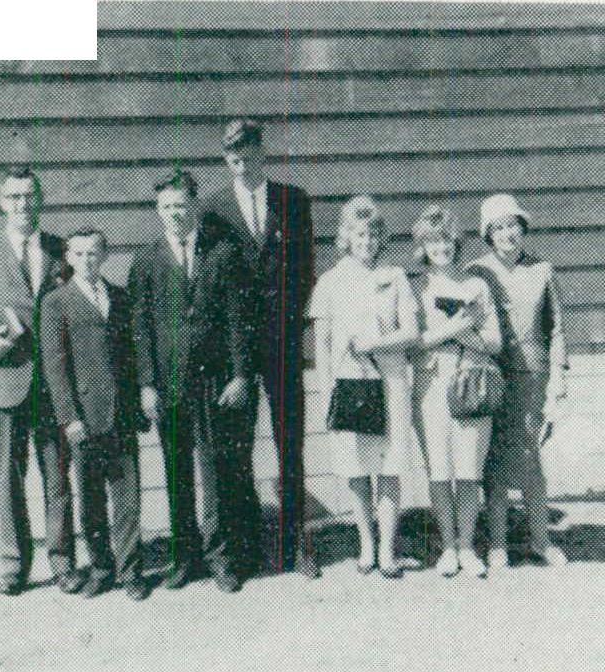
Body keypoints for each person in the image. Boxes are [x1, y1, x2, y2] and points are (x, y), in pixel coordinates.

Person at [0, 166, 80, 596]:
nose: (23, 205)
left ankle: (63, 561)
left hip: (53, 386)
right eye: (14, 197)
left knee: (57, 476)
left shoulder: (61, 251)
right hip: (2, 381)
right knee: (9, 476)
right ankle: (13, 564)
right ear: (2, 203)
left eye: (29, 196)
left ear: (40, 199)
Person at [128, 169, 255, 593]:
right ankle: (184, 558)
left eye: (181, 205)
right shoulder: (146, 260)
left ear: (195, 205)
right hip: (168, 385)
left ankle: (220, 557)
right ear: (158, 210)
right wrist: (147, 385)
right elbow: (140, 328)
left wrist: (240, 374)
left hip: (214, 382)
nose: (174, 214)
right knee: (176, 468)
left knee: (216, 469)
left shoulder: (223, 253)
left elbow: (238, 319)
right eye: (166, 207)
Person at [203, 118, 319, 578]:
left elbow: (306, 270)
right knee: (238, 446)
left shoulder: (293, 200)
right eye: (234, 159)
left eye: (249, 156)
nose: (242, 165)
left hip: (282, 343)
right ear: (225, 159)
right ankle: (247, 547)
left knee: (291, 442)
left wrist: (290, 324)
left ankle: (296, 543)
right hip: (235, 349)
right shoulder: (213, 208)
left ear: (261, 154)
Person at [310, 196, 419, 577]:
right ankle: (366, 545)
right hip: (349, 386)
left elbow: (412, 331)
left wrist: (376, 343)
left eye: (373, 234)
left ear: (381, 237)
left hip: (390, 383)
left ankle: (387, 549)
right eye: (359, 234)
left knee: (389, 466)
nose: (367, 241)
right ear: (346, 237)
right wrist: (326, 392)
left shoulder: (395, 277)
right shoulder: (330, 281)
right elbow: (322, 343)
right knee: (356, 468)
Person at [40, 228, 149, 600]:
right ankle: (102, 568)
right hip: (84, 418)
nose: (87, 260)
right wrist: (69, 416)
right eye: (79, 254)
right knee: (91, 500)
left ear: (104, 256)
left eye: (93, 253)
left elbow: (133, 352)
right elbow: (55, 366)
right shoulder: (56, 302)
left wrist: (138, 398)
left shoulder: (119, 297)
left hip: (121, 413)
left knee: (128, 498)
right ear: (69, 258)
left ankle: (131, 571)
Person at [468, 193, 569, 570]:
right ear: (488, 234)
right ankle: (497, 543)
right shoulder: (477, 271)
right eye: (498, 228)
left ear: (522, 229)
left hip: (532, 375)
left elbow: (557, 329)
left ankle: (540, 541)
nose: (507, 234)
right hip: (489, 373)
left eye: (513, 225)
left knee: (529, 454)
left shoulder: (543, 270)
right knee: (493, 456)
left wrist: (558, 377)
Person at [410, 205, 502, 578]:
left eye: (447, 239)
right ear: (423, 246)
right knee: (438, 469)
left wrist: (466, 334)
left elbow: (495, 342)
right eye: (433, 241)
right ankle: (447, 545)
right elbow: (412, 343)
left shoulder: (476, 285)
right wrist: (455, 327)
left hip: (471, 381)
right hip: (430, 383)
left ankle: (467, 546)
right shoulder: (415, 287)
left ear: (456, 242)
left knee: (468, 470)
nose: (441, 247)